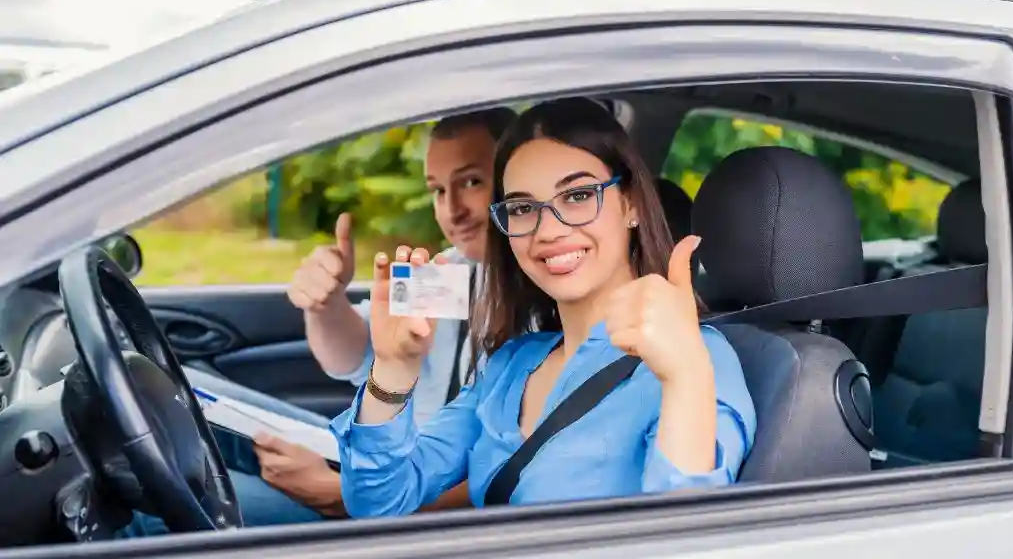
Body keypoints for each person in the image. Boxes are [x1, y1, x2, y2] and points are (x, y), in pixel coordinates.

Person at [330, 98, 756, 516]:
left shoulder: (695, 357)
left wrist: (685, 376)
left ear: (631, 204)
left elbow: (685, 539)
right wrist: (393, 369)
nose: (548, 230)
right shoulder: (511, 365)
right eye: (522, 207)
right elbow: (379, 502)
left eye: (577, 195)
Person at [120, 108, 516, 537]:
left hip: (409, 513)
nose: (452, 210)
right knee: (196, 399)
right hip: (387, 462)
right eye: (438, 191)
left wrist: (340, 496)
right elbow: (355, 354)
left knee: (147, 515)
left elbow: (499, 478)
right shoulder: (451, 272)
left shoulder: (544, 308)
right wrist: (326, 304)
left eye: (471, 182)